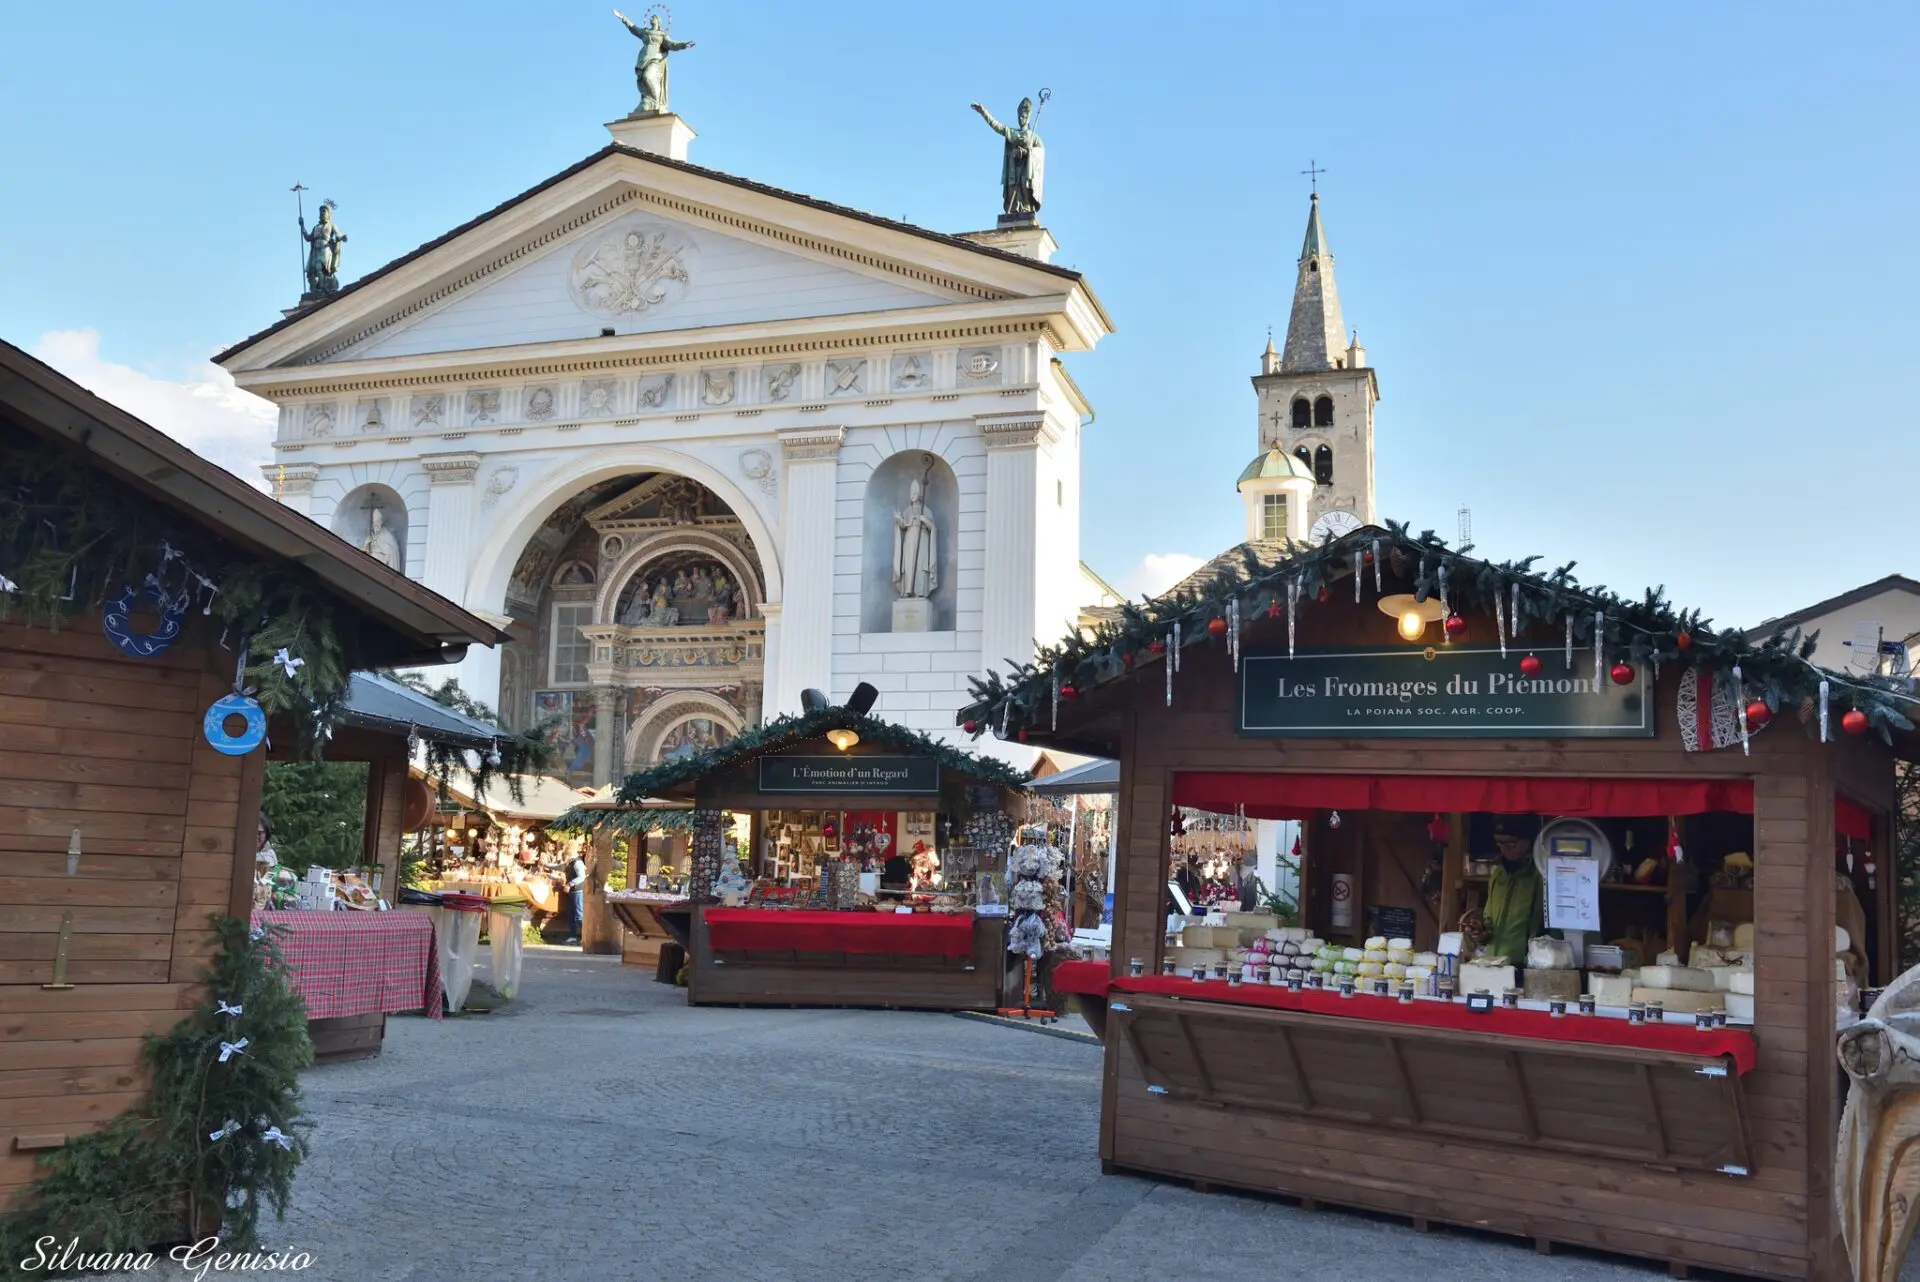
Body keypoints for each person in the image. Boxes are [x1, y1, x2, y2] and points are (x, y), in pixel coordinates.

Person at [1482, 815, 1545, 966]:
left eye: (1510, 843)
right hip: (1494, 963)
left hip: (1528, 965)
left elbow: (1544, 929)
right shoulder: (1498, 874)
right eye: (1499, 842)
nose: (1503, 848)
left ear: (1528, 841)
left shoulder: (1540, 875)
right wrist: (1481, 932)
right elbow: (1488, 921)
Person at [562, 848, 588, 945]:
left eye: (565, 854)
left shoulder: (578, 863)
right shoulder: (570, 862)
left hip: (578, 891)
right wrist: (546, 865)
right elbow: (559, 867)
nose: (564, 856)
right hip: (572, 892)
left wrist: (570, 884)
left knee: (579, 915)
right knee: (571, 914)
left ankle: (585, 937)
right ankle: (573, 936)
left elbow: (582, 876)